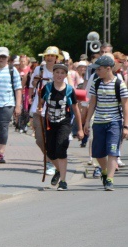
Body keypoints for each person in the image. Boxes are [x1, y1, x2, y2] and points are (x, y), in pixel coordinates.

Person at [83, 55, 128, 191]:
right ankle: (104, 171)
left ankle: (109, 179)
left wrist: (126, 126)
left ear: (108, 69)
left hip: (114, 122)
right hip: (98, 122)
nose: (97, 72)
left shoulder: (119, 84)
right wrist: (87, 122)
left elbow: (125, 106)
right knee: (98, 153)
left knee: (113, 151)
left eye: (99, 69)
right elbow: (92, 104)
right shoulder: (96, 83)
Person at [37, 64, 83, 191]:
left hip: (64, 122)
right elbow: (41, 102)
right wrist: (39, 109)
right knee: (50, 152)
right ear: (53, 74)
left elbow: (76, 110)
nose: (59, 75)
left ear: (65, 75)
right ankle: (58, 170)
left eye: (62, 73)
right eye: (57, 72)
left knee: (61, 149)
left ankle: (63, 181)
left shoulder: (69, 90)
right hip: (50, 123)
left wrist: (79, 129)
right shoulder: (47, 88)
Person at [29, 46, 66, 176]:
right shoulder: (39, 69)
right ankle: (50, 157)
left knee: (51, 138)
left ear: (56, 58)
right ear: (44, 57)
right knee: (39, 139)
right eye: (47, 55)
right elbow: (31, 86)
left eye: (52, 56)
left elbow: (66, 89)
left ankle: (51, 162)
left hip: (55, 109)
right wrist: (35, 82)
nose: (49, 58)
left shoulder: (60, 71)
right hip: (38, 108)